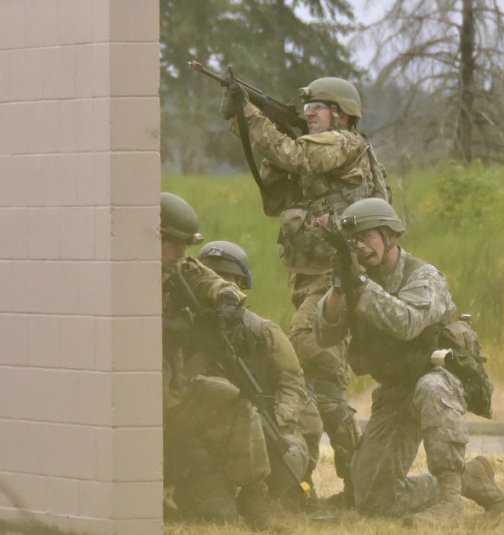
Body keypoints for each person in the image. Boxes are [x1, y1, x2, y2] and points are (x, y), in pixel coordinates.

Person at [220, 75, 388, 497]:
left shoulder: (344, 143)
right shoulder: (319, 152)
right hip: (312, 279)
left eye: (318, 108)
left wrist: (252, 114)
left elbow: (292, 154)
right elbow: (277, 183)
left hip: (336, 279)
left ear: (342, 115)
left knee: (304, 361)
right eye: (307, 108)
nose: (309, 114)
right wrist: (241, 121)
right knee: (321, 383)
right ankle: (351, 483)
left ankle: (343, 481)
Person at [313, 198, 504, 525]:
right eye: (353, 241)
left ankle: (450, 501)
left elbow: (406, 323)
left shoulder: (424, 276)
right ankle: (470, 479)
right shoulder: (358, 281)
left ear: (390, 236)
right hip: (396, 390)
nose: (360, 247)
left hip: (440, 376)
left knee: (430, 387)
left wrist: (360, 283)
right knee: (373, 499)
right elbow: (324, 334)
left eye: (366, 237)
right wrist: (340, 286)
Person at [159, 193, 273, 529]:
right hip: (140, 409)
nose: (181, 252)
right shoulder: (118, 276)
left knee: (234, 398)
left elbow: (213, 283)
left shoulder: (179, 270)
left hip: (174, 401)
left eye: (185, 244)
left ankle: (255, 497)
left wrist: (227, 301)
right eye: (173, 243)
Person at [197, 240, 324, 504]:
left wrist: (276, 423)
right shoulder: (194, 330)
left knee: (287, 453)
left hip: (268, 420)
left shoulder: (262, 332)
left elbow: (292, 385)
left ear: (240, 284)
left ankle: (282, 491)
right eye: (213, 276)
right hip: (218, 425)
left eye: (227, 277)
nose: (219, 283)